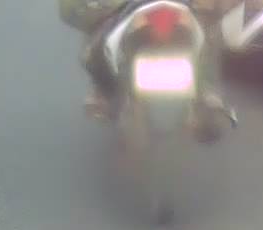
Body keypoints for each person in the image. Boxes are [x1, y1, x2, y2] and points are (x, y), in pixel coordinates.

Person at [59, 0, 237, 132]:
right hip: (173, 11)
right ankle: (208, 94)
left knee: (96, 45)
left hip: (140, 10)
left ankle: (102, 93)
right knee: (208, 41)